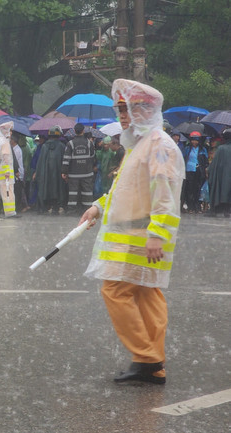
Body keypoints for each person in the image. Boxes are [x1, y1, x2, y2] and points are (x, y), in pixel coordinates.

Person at [79, 79, 184, 385]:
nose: (123, 115)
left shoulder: (158, 145)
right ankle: (154, 365)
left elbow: (165, 192)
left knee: (115, 291)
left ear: (147, 110)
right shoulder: (139, 144)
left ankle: (147, 358)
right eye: (120, 108)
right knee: (148, 294)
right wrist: (99, 207)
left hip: (141, 235)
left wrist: (157, 234)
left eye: (130, 108)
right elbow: (124, 189)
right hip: (139, 233)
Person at [63, 123, 96, 214]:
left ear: (74, 131)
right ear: (83, 131)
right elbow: (93, 156)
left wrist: (64, 172)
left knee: (73, 192)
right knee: (87, 192)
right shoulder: (89, 143)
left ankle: (72, 210)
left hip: (73, 174)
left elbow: (66, 159)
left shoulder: (70, 144)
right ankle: (87, 210)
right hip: (87, 173)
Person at [0, 122, 19, 218]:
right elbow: (6, 158)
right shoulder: (5, 143)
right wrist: (7, 171)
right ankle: (10, 212)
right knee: (8, 192)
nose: (10, 133)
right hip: (4, 173)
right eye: (10, 131)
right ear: (5, 131)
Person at [33, 126, 66, 214]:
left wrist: (37, 173)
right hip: (58, 175)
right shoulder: (62, 146)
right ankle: (56, 207)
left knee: (45, 188)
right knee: (58, 188)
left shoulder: (44, 147)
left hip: (45, 175)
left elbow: (40, 163)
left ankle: (44, 207)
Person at [182, 131, 208, 214]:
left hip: (198, 171)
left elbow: (205, 161)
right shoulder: (187, 148)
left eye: (196, 140)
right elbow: (183, 158)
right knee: (189, 189)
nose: (194, 142)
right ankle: (190, 207)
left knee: (197, 189)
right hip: (189, 170)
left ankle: (197, 207)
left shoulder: (203, 149)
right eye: (193, 140)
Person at [207, 128, 231, 217]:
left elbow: (214, 164)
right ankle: (227, 210)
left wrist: (209, 170)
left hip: (221, 176)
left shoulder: (221, 148)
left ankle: (215, 210)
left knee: (219, 189)